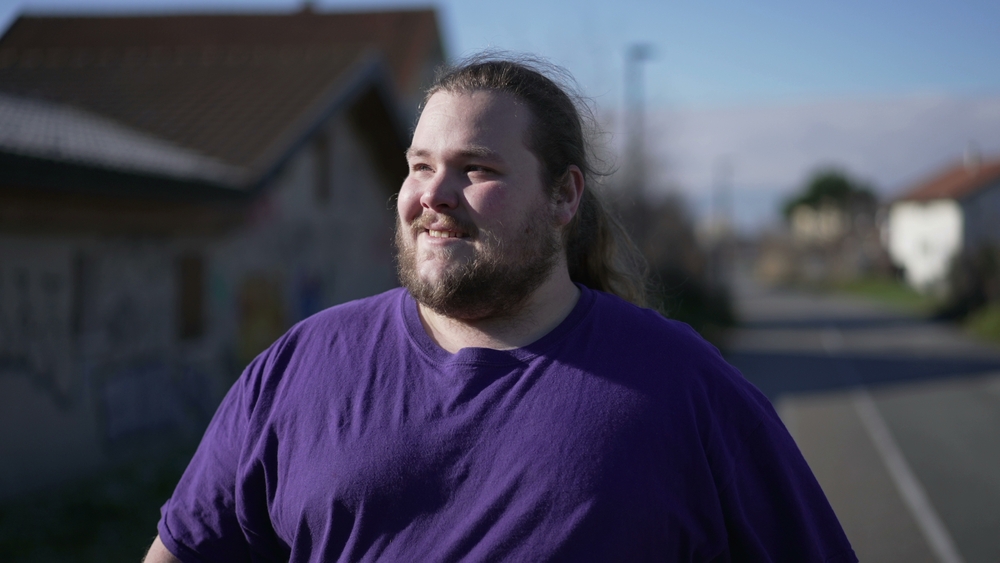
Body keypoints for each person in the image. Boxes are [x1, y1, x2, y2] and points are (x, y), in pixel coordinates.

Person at [145, 55, 857, 562]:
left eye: (475, 168)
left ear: (564, 196)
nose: (433, 194)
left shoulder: (682, 388)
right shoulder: (300, 366)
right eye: (419, 165)